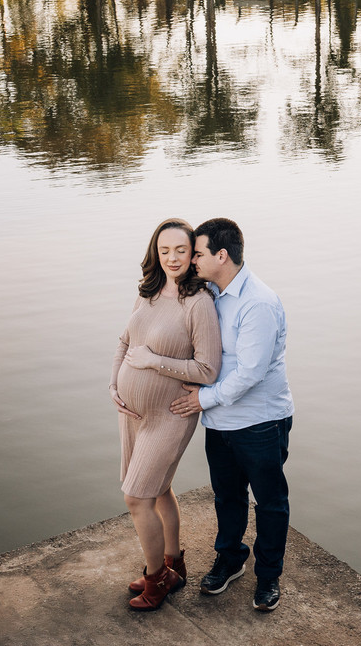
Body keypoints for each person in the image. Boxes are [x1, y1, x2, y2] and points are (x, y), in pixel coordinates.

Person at [169, 218, 294, 613]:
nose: (193, 262)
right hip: (221, 422)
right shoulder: (210, 292)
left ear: (222, 256)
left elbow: (251, 373)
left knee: (270, 502)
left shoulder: (258, 301)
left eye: (199, 254)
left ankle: (269, 575)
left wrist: (203, 399)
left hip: (259, 422)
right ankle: (231, 558)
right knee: (226, 496)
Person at [110, 218, 222, 612]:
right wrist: (114, 386)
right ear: (155, 254)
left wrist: (154, 361)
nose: (172, 258)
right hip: (133, 413)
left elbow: (208, 370)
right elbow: (125, 342)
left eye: (180, 250)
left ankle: (156, 581)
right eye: (164, 251)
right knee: (158, 490)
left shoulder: (199, 303)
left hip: (170, 414)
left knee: (136, 496)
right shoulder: (149, 291)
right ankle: (173, 565)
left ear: (193, 254)